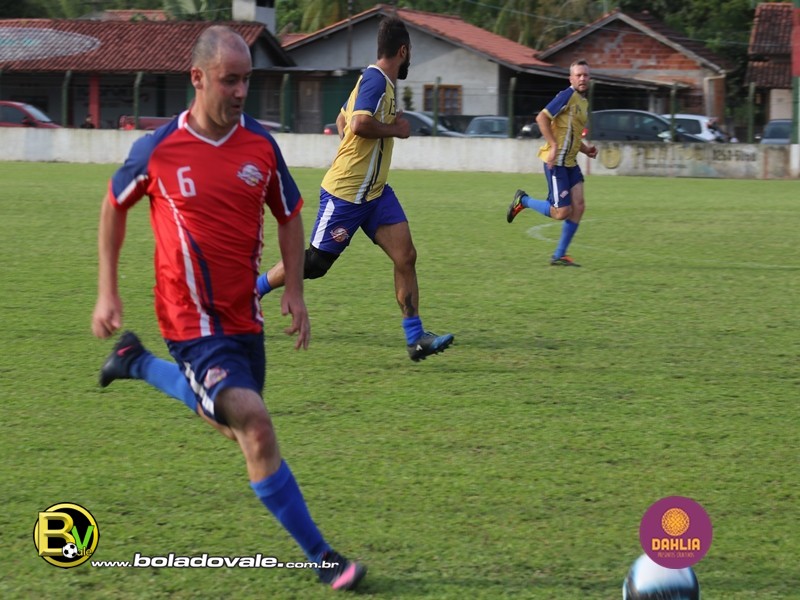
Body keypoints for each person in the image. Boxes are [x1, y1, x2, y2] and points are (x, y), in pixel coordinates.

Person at [91, 25, 366, 591]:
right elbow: (114, 205)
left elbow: (290, 214)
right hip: (189, 321)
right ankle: (323, 558)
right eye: (229, 80)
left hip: (243, 316)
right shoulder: (159, 149)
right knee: (255, 425)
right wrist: (107, 290)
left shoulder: (259, 146)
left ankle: (136, 362)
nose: (241, 92)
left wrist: (295, 290)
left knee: (230, 423)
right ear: (197, 78)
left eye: (247, 80)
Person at [255, 16, 453, 362]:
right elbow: (358, 124)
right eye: (409, 52)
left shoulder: (375, 82)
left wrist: (363, 144)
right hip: (346, 193)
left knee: (406, 256)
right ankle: (250, 293)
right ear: (403, 51)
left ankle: (416, 338)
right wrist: (395, 131)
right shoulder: (375, 79)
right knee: (315, 263)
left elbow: (342, 119)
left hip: (375, 193)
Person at [506, 60, 598, 266]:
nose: (582, 78)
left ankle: (559, 255)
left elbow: (572, 135)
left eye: (585, 75)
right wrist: (553, 145)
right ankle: (523, 201)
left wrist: (586, 150)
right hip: (556, 163)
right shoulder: (566, 95)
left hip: (571, 163)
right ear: (571, 78)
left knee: (579, 206)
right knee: (561, 212)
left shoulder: (583, 103)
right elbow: (542, 118)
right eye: (578, 75)